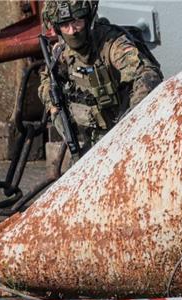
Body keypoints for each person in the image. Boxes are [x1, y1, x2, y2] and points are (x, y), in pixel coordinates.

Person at [39, 0, 163, 172]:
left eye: (77, 22)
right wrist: (54, 109)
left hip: (126, 139)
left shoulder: (112, 44)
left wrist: (132, 118)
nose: (72, 31)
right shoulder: (62, 52)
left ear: (88, 19)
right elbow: (46, 81)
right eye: (65, 25)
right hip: (88, 144)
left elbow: (148, 74)